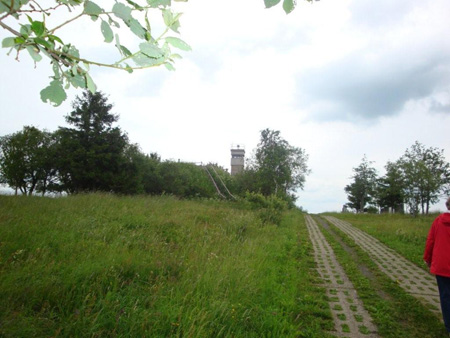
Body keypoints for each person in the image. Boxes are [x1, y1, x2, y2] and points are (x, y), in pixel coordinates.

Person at [424, 197, 450, 334]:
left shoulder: (439, 221)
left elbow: (431, 240)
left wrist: (427, 258)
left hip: (442, 265)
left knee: (446, 296)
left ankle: (449, 326)